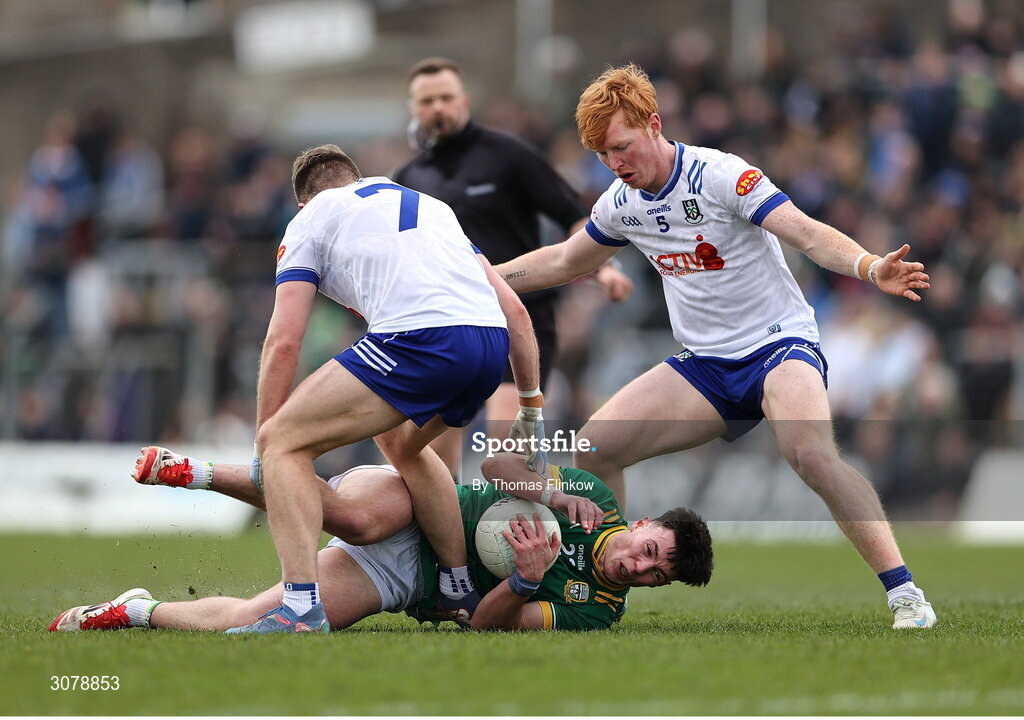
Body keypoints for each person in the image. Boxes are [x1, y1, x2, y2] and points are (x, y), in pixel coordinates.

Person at [494, 64, 937, 630]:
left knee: (809, 454)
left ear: (654, 124)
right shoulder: (620, 202)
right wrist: (487, 278)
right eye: (604, 155)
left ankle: (905, 596)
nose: (616, 164)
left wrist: (869, 266)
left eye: (623, 147)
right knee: (595, 449)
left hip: (779, 346)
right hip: (705, 366)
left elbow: (802, 230)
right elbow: (563, 260)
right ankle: (606, 588)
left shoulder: (723, 175)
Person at [230, 144, 546, 633]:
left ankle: (298, 610)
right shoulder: (431, 207)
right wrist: (531, 406)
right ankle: (455, 587)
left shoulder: (313, 217)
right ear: (356, 177)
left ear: (303, 201)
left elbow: (284, 339)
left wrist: (265, 437)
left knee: (283, 443)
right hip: (487, 348)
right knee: (402, 443)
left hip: (421, 341)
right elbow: (517, 312)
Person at [48, 446, 713, 633]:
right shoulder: (592, 498)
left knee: (261, 619)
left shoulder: (597, 611)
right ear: (646, 522)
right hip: (423, 506)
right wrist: (552, 494)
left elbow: (481, 625)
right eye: (650, 550)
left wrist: (526, 580)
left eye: (656, 576)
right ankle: (194, 472)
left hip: (409, 582)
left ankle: (134, 610)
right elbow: (493, 463)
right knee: (351, 517)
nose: (639, 566)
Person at [394, 58, 634, 477]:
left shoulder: (508, 155)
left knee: (505, 461)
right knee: (431, 467)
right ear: (414, 109)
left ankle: (522, 536)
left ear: (464, 101)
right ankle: (444, 539)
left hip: (520, 319)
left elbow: (576, 217)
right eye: (427, 100)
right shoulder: (408, 178)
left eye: (446, 98)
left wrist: (603, 269)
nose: (438, 108)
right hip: (448, 325)